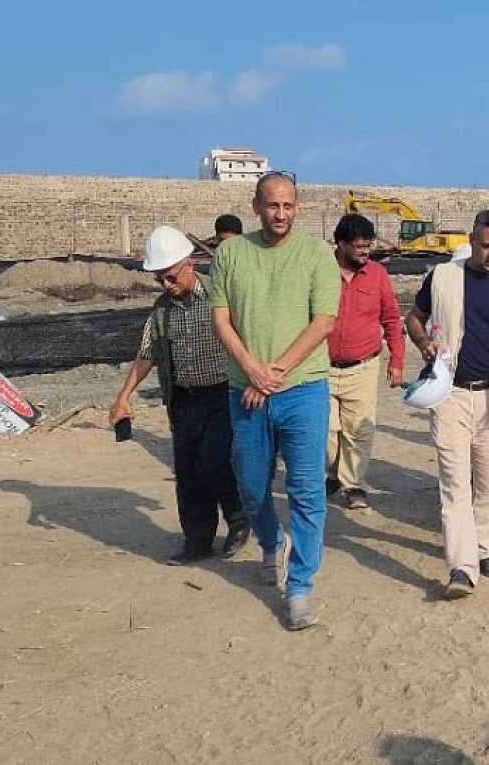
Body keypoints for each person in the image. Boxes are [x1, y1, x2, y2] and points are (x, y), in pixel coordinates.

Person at [209, 171, 340, 631]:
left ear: (297, 206)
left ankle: (300, 586)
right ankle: (270, 540)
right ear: (256, 205)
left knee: (306, 490)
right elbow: (221, 318)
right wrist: (252, 369)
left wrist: (274, 373)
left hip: (302, 389)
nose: (280, 214)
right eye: (271, 205)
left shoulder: (316, 255)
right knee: (249, 481)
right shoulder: (230, 254)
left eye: (287, 205)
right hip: (244, 389)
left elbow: (322, 322)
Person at [405, 209, 489, 599]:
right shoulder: (442, 277)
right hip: (450, 395)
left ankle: (484, 547)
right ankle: (461, 569)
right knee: (454, 484)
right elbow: (413, 319)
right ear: (473, 240)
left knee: (488, 482)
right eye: (486, 246)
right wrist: (423, 343)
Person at [110, 225, 249, 565]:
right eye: (159, 279)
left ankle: (239, 519)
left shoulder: (221, 295)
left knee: (216, 461)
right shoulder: (161, 310)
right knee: (188, 472)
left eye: (170, 277)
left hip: (222, 393)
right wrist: (124, 396)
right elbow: (148, 353)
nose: (166, 285)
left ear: (189, 264)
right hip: (184, 400)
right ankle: (198, 541)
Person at [325, 213, 405, 511]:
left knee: (359, 429)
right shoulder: (320, 272)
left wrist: (396, 360)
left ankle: (352, 485)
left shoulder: (378, 275)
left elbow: (392, 320)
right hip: (322, 367)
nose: (365, 252)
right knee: (325, 430)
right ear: (341, 244)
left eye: (368, 246)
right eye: (359, 246)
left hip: (363, 366)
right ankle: (332, 473)